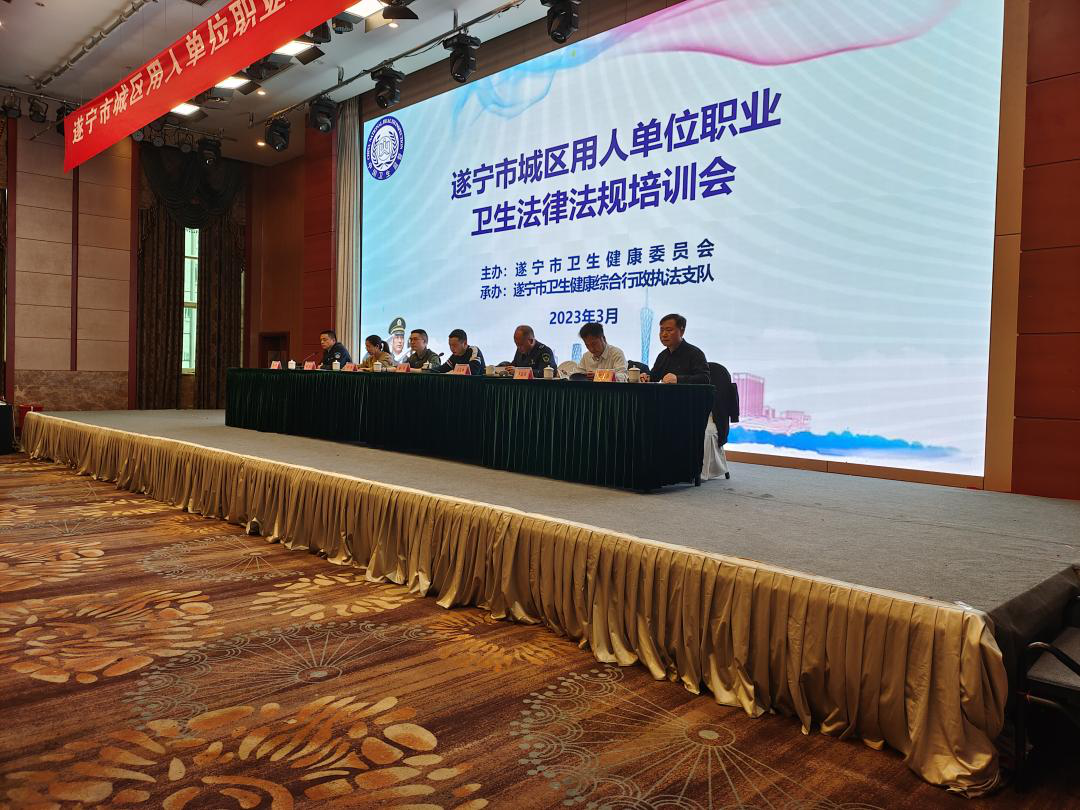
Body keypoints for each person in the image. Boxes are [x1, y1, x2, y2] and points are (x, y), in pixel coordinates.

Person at [642, 313, 709, 384]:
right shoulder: (662, 356)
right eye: (661, 330)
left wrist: (678, 379)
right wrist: (646, 377)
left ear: (682, 331)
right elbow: (653, 377)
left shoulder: (695, 353)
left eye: (669, 330)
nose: (664, 334)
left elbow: (705, 379)